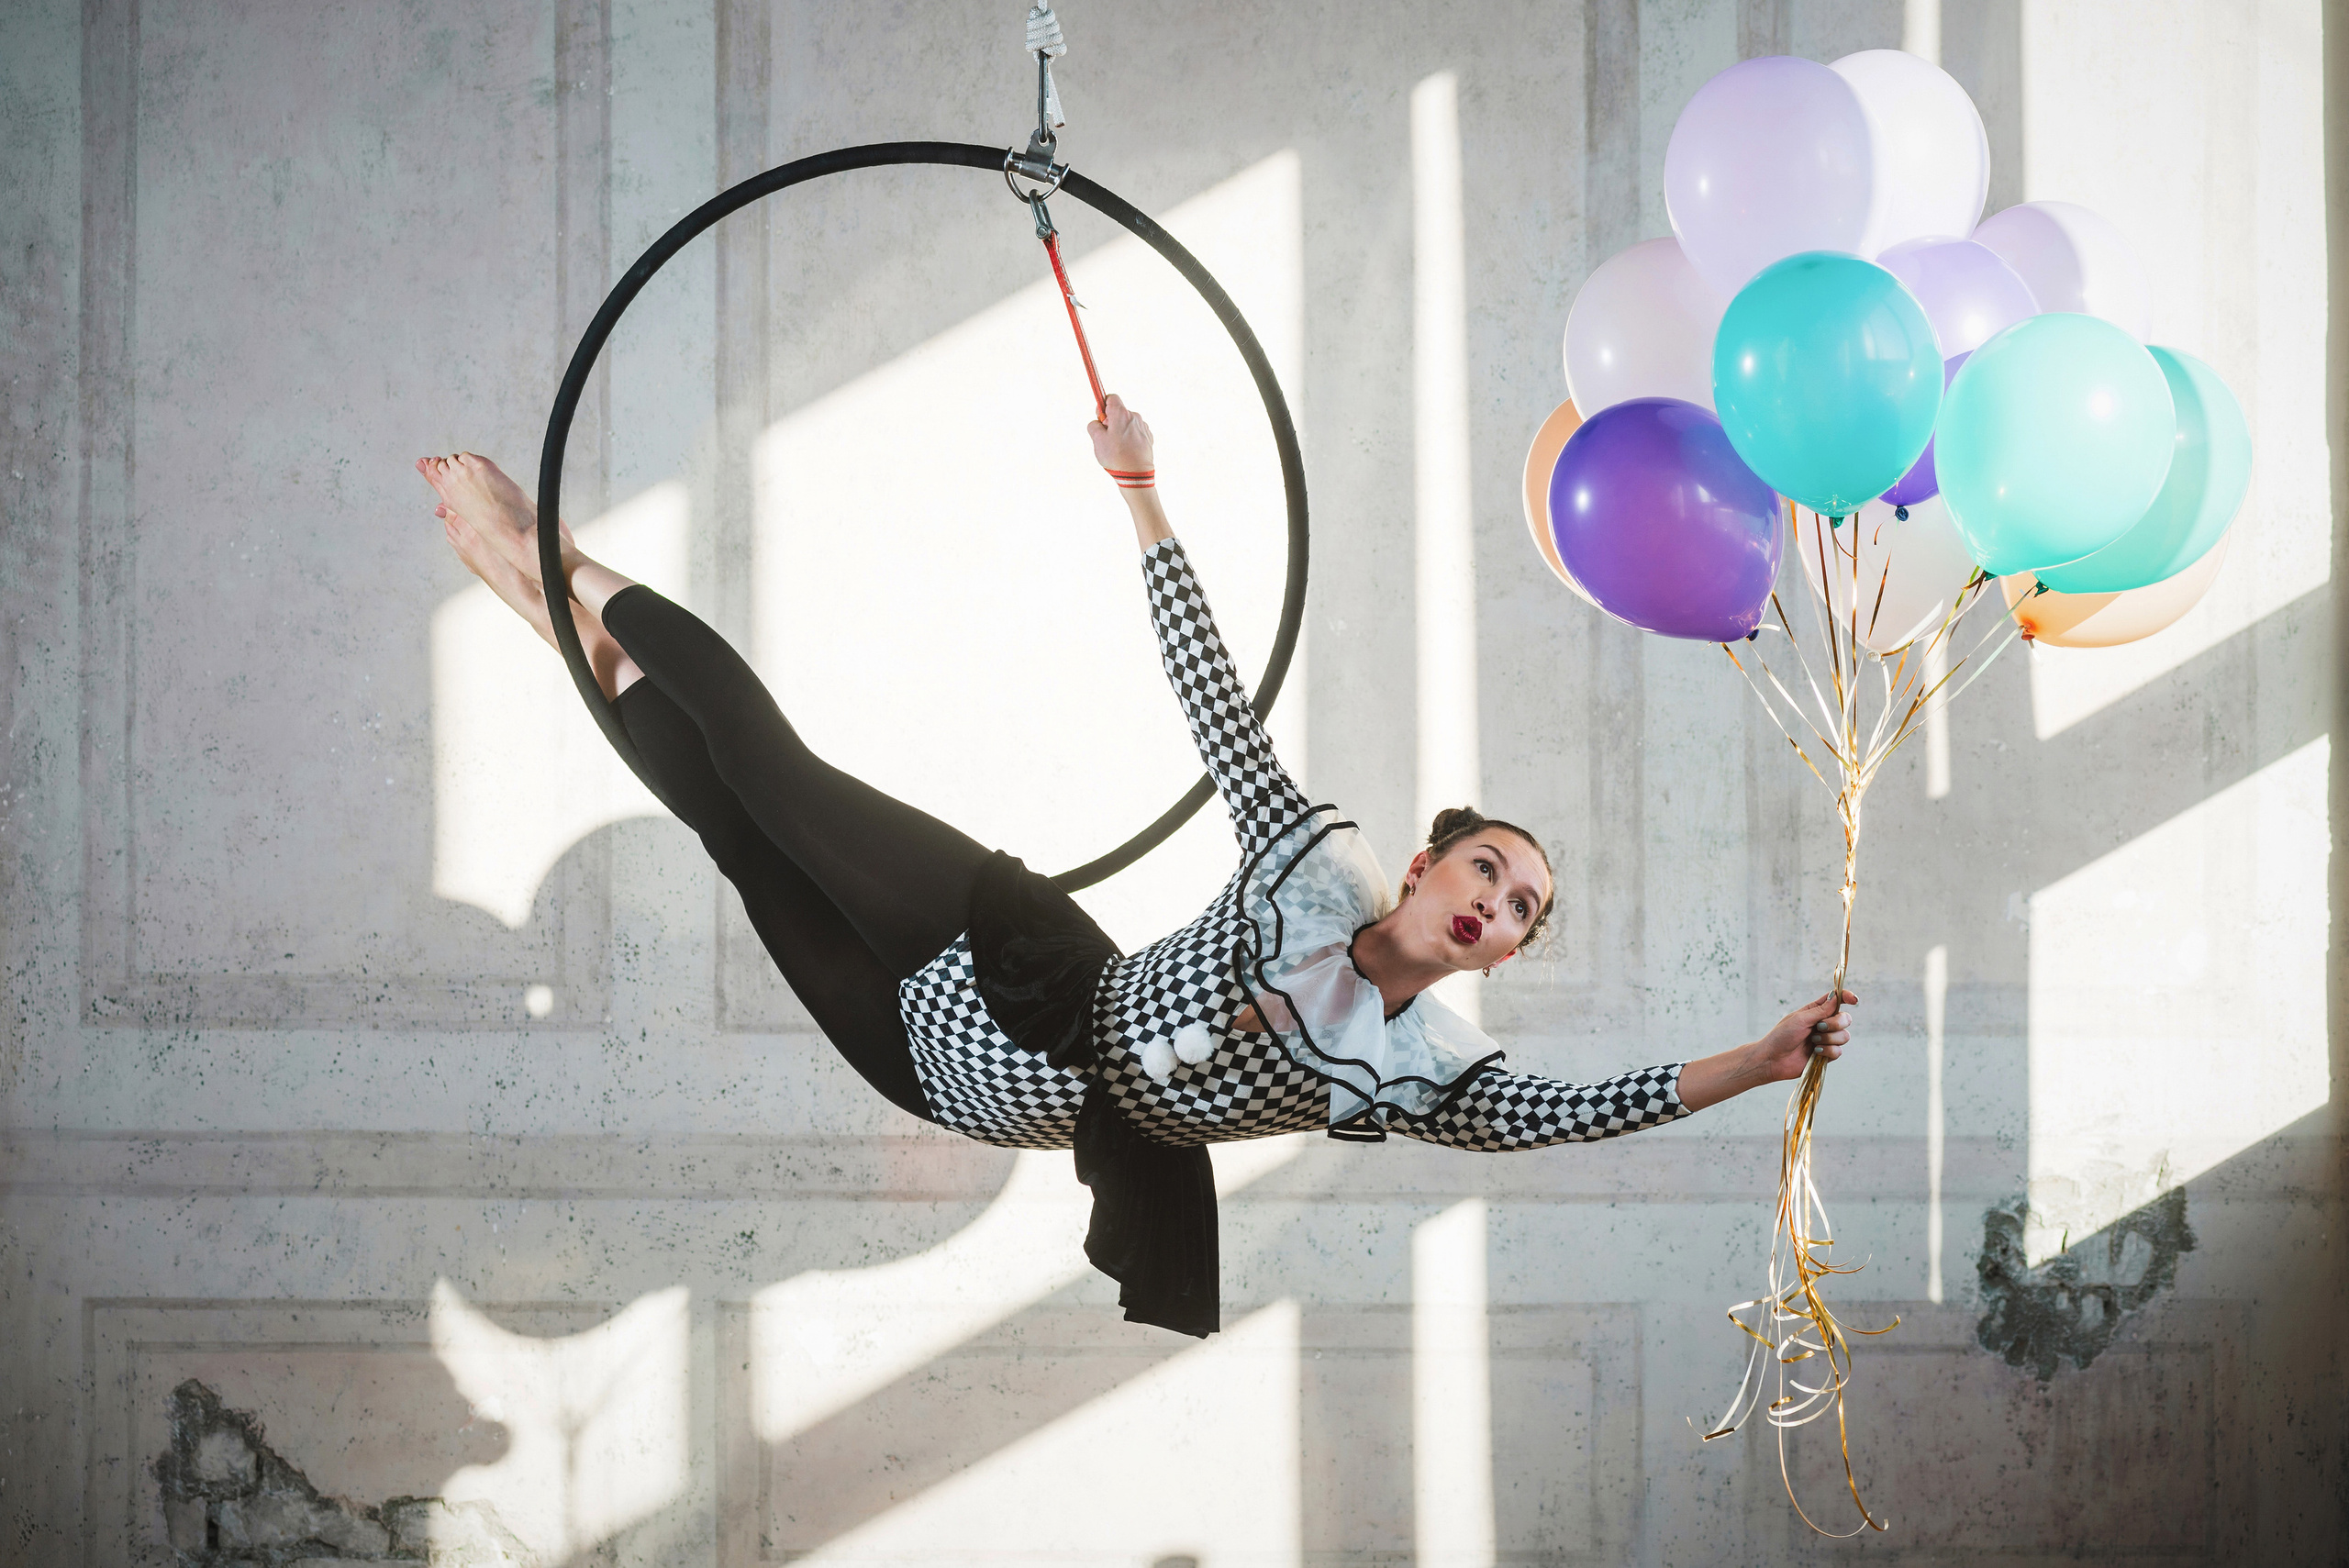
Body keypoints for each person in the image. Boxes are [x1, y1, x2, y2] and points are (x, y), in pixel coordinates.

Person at [415, 395, 1855, 1335]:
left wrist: (1764, 1055)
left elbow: (1588, 1105)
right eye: (1488, 867)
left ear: (1501, 954)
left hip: (942, 1069)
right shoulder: (1312, 862)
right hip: (1007, 951)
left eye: (1522, 913)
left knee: (731, 830)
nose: (1497, 902)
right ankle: (557, 557)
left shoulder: (1416, 1072)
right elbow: (1214, 696)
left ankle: (557, 626)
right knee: (769, 765)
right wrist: (1144, 491)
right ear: (1425, 865)